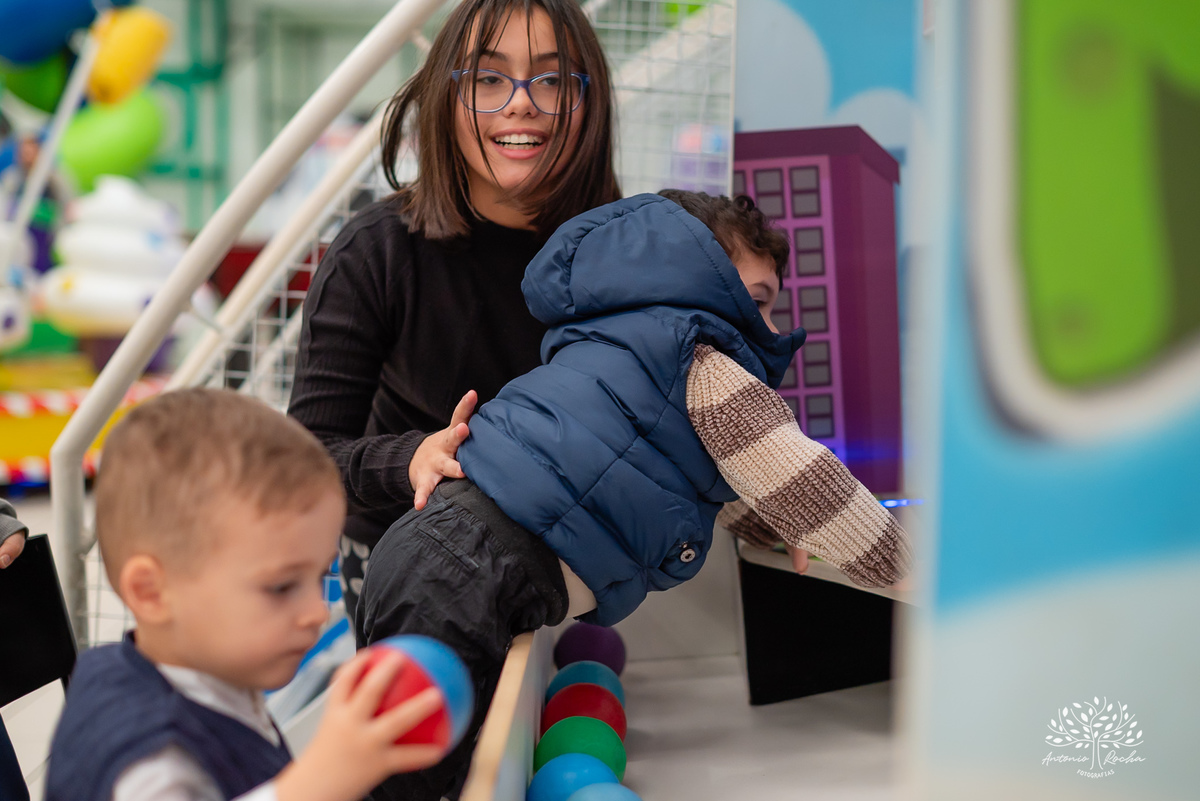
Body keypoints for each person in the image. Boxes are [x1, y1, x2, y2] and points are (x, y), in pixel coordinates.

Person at [357, 190, 914, 801]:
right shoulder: (704, 360)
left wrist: (774, 525)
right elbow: (810, 485)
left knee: (432, 769)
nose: (773, 330)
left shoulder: (617, 343)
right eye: (756, 303)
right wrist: (919, 571)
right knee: (415, 778)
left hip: (448, 556)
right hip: (466, 566)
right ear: (699, 279)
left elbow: (679, 475)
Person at [287, 0, 621, 618]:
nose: (522, 101)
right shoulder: (377, 251)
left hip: (576, 558)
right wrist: (412, 457)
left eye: (551, 78)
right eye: (489, 78)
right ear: (444, 98)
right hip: (407, 552)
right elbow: (307, 459)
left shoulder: (624, 250)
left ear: (589, 103)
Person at [44, 389, 452, 801]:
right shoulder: (151, 763)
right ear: (152, 592)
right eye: (281, 586)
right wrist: (319, 782)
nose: (315, 612)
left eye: (320, 576)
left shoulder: (216, 674)